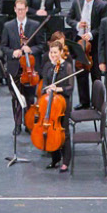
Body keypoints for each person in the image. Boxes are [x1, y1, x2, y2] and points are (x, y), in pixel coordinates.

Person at [2, 0, 46, 133]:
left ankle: (29, 123)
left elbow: (42, 45)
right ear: (14, 9)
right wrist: (12, 52)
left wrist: (31, 50)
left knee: (30, 97)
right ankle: (17, 124)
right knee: (16, 98)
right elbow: (3, 47)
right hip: (15, 67)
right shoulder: (8, 26)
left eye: (22, 9)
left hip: (30, 68)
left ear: (27, 9)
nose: (20, 12)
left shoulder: (35, 25)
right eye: (18, 9)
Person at [67, 0, 107, 109]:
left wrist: (91, 34)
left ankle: (97, 103)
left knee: (95, 75)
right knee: (81, 73)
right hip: (80, 42)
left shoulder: (102, 5)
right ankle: (84, 102)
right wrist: (77, 24)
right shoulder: (77, 2)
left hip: (94, 43)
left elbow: (104, 25)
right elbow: (68, 19)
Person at [39, 39, 76, 172]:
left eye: (55, 52)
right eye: (51, 52)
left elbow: (71, 88)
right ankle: (55, 158)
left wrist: (58, 89)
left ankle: (66, 160)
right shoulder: (48, 66)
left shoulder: (67, 66)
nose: (53, 55)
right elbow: (43, 84)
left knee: (63, 131)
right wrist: (47, 89)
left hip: (63, 103)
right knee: (50, 131)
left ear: (61, 52)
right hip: (50, 102)